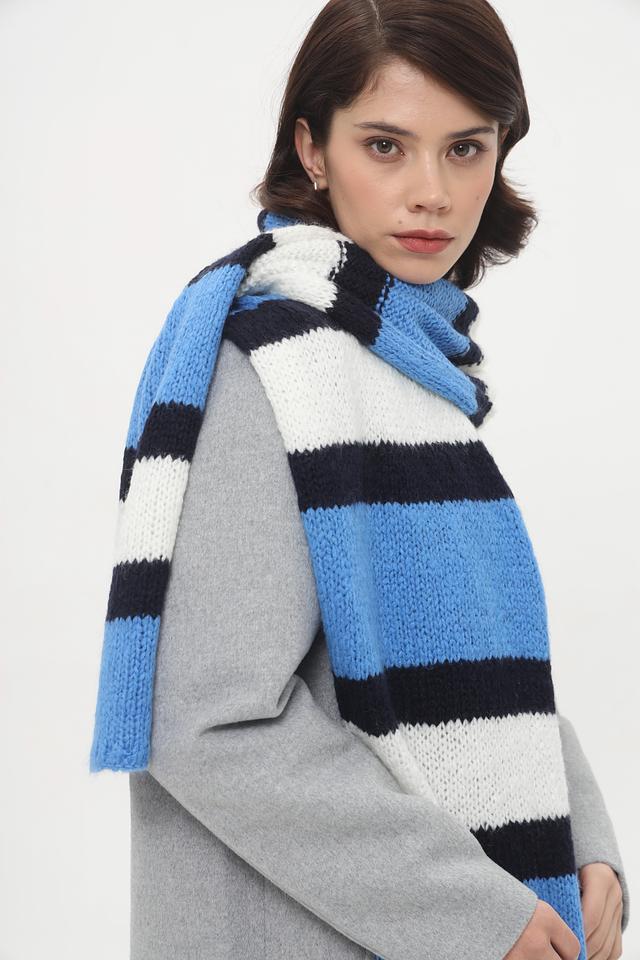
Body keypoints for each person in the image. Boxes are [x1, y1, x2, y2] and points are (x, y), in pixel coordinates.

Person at [89, 1, 630, 958]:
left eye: (465, 149)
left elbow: (484, 660)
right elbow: (208, 722)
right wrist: (474, 915)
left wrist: (583, 837)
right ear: (313, 149)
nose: (432, 193)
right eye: (386, 146)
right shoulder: (264, 365)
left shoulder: (412, 369)